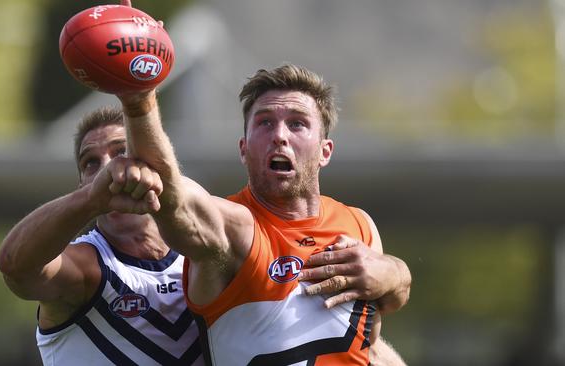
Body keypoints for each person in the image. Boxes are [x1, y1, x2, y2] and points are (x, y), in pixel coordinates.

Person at [0, 106, 407, 365]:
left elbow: (338, 337)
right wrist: (89, 199)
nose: (108, 169)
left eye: (122, 152)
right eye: (91, 163)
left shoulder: (213, 263)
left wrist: (395, 272)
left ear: (156, 166)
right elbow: (17, 268)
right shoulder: (88, 268)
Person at [119, 63, 411, 365]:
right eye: (265, 123)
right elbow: (171, 195)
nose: (280, 136)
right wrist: (140, 102)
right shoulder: (233, 229)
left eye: (297, 124)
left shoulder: (359, 225)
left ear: (325, 151)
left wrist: (395, 273)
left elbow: (375, 336)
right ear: (244, 149)